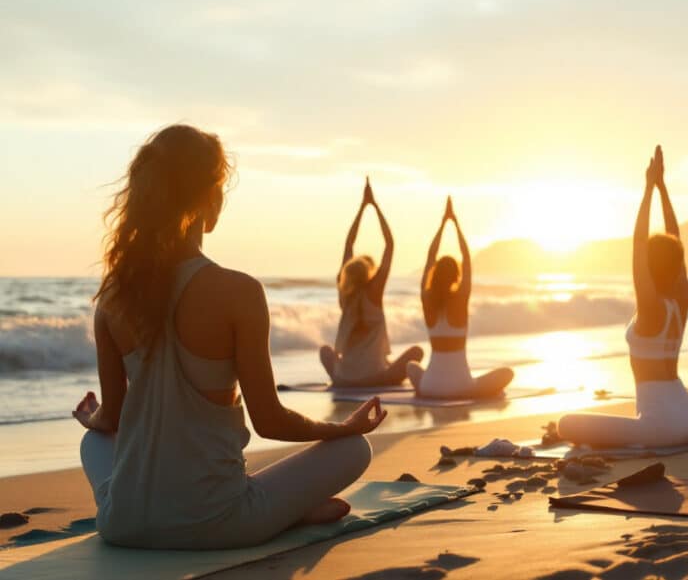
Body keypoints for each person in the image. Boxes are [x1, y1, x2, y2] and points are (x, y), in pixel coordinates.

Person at [73, 124, 386, 549]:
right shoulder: (239, 291)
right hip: (216, 523)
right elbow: (270, 421)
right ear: (209, 198)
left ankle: (280, 507)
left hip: (121, 523)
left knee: (94, 441)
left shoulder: (113, 294)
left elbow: (111, 419)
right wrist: (341, 429)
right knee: (356, 450)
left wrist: (91, 418)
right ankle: (286, 512)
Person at [557, 145, 688, 447]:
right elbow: (676, 241)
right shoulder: (680, 303)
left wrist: (649, 188)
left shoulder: (651, 308)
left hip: (662, 428)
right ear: (676, 265)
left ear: (650, 266)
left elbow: (639, 245)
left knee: (566, 424)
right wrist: (663, 189)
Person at [319, 177, 423, 388]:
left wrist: (361, 208)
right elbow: (389, 244)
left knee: (325, 351)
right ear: (369, 274)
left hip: (343, 378)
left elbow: (349, 244)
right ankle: (379, 366)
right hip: (375, 378)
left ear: (347, 274)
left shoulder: (344, 295)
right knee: (417, 353)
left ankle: (348, 375)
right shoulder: (374, 291)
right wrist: (374, 206)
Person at [406, 197, 514, 398]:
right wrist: (454, 223)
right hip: (462, 387)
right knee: (508, 373)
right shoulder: (461, 298)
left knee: (412, 367)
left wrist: (441, 225)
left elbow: (430, 258)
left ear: (434, 274)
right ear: (456, 275)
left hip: (429, 387)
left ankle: (430, 387)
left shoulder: (427, 298)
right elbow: (466, 258)